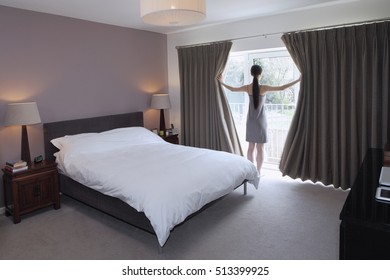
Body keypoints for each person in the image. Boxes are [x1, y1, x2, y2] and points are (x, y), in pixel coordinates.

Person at [217, 65, 301, 174]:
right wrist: (298, 80)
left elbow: (232, 89)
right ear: (261, 74)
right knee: (260, 148)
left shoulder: (247, 87)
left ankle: (250, 170)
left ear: (251, 74)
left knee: (250, 147)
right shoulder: (264, 88)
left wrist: (222, 82)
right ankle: (258, 171)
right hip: (261, 121)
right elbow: (282, 88)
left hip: (251, 121)